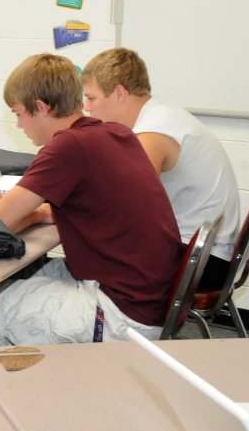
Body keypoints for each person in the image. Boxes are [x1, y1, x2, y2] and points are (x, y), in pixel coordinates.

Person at [0, 53, 184, 348]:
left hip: (120, 316)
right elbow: (88, 208)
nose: (19, 125)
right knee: (10, 277)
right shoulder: (116, 133)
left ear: (41, 108)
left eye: (18, 113)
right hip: (152, 301)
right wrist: (28, 212)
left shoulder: (66, 146)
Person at [81, 48, 240, 290]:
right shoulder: (161, 113)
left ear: (119, 93)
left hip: (199, 262)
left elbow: (122, 206)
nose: (87, 108)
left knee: (88, 253)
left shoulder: (154, 132)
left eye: (91, 98)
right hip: (206, 252)